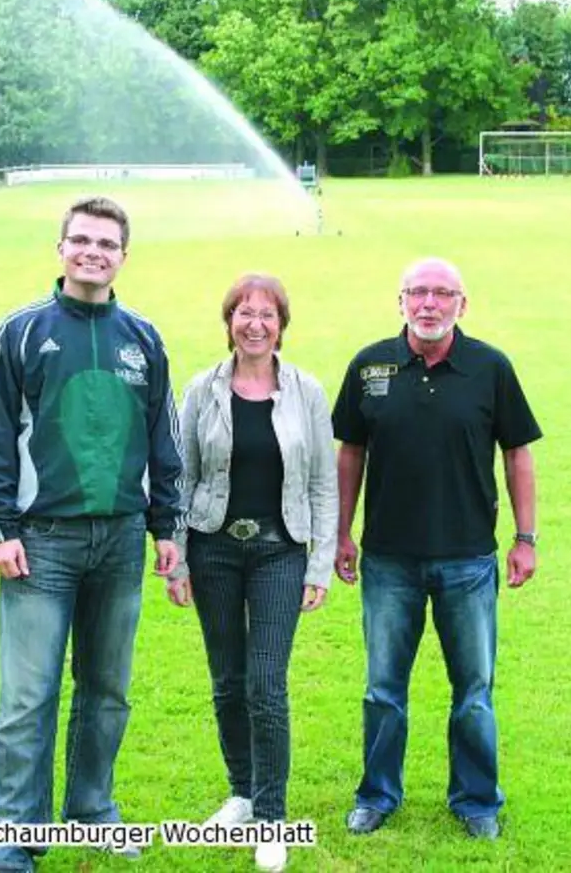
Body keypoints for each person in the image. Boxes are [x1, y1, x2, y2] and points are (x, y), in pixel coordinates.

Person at [0, 195, 184, 872]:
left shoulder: (143, 337)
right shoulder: (21, 331)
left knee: (107, 690)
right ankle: (15, 833)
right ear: (60, 248)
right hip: (41, 543)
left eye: (107, 244)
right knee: (28, 696)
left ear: (124, 256)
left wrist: (165, 526)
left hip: (120, 541)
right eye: (82, 241)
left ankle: (92, 811)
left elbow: (162, 438)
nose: (94, 252)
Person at [329, 257, 542, 842]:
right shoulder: (370, 365)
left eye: (442, 294)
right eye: (417, 293)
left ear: (461, 305)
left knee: (473, 691)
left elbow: (518, 454)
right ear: (399, 301)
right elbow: (350, 451)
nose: (429, 303)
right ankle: (377, 795)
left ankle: (476, 801)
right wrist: (341, 532)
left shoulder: (490, 367)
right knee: (383, 688)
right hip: (388, 559)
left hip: (469, 559)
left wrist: (525, 538)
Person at [161, 273, 337, 873]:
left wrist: (319, 563)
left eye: (267, 314)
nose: (255, 323)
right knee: (227, 681)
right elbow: (177, 479)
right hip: (213, 550)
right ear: (228, 320)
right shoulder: (201, 389)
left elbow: (322, 485)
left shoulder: (306, 391)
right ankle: (240, 791)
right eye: (244, 313)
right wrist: (178, 557)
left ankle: (270, 818)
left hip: (278, 551)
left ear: (282, 324)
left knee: (266, 684)